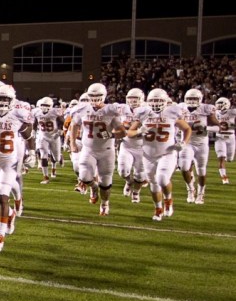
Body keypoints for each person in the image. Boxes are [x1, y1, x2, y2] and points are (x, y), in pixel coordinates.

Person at [125, 89, 191, 221]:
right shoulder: (143, 112)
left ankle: (168, 200)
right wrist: (139, 130)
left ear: (165, 101)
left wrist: (184, 143)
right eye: (153, 100)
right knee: (154, 184)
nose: (155, 103)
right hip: (148, 155)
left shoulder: (172, 112)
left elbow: (187, 128)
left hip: (167, 153)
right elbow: (130, 133)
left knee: (162, 178)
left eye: (158, 100)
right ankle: (158, 209)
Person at [0, 85, 33, 250]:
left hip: (8, 162)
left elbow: (29, 135)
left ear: (12, 101)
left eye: (5, 99)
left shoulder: (18, 115)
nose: (1, 102)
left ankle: (0, 236)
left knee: (2, 196)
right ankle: (10, 213)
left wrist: (31, 152)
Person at [69, 83, 125, 216]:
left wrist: (111, 134)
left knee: (105, 183)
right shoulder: (82, 109)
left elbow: (122, 132)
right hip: (88, 149)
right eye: (92, 96)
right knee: (84, 176)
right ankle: (93, 188)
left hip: (106, 150)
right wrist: (72, 143)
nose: (95, 98)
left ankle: (105, 203)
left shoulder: (111, 111)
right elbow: (74, 125)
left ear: (104, 96)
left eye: (98, 95)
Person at [176, 88, 218, 205]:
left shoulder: (206, 108)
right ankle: (190, 189)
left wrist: (206, 128)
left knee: (201, 170)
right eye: (190, 98)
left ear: (200, 99)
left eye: (194, 98)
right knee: (184, 167)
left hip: (201, 144)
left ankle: (201, 194)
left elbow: (218, 126)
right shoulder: (180, 108)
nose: (192, 101)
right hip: (186, 142)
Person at [213, 97, 234, 184]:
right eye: (218, 104)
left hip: (231, 138)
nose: (219, 106)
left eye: (221, 104)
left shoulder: (233, 112)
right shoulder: (214, 113)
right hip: (220, 138)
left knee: (229, 159)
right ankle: (224, 178)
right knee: (222, 158)